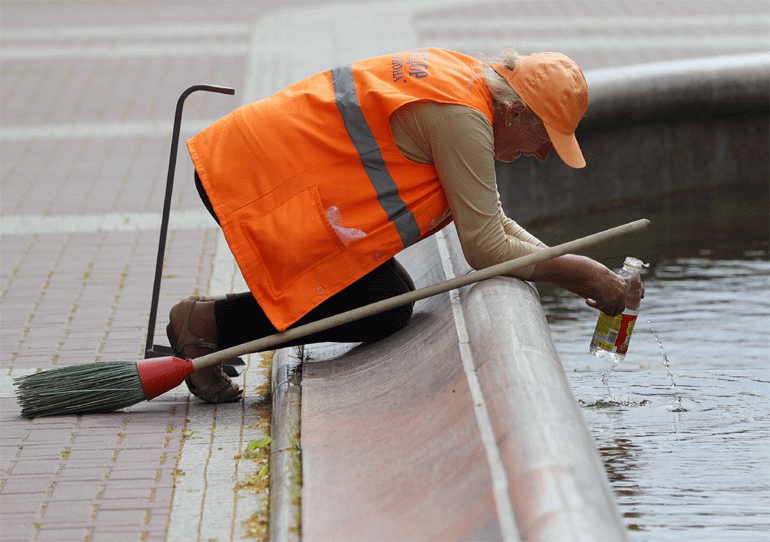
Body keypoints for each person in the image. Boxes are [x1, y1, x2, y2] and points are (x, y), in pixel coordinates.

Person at [167, 47, 630, 403]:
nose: (545, 154)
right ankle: (207, 324)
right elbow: (485, 247)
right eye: (546, 138)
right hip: (254, 177)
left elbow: (492, 222)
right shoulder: (463, 119)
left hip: (254, 163)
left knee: (385, 298)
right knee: (383, 304)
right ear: (514, 112)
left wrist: (571, 261)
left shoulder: (470, 84)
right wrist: (578, 272)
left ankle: (210, 323)